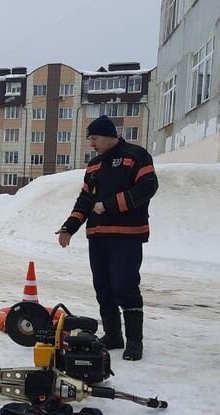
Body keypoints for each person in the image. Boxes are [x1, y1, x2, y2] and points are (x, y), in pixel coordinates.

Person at [56, 115, 158, 361]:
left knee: (125, 286)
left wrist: (110, 205)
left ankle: (135, 342)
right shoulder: (94, 166)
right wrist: (69, 227)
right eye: (90, 139)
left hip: (126, 236)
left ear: (109, 135)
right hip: (98, 236)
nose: (91, 144)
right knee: (103, 288)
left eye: (94, 138)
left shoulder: (136, 155)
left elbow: (148, 186)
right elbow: (85, 200)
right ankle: (113, 335)